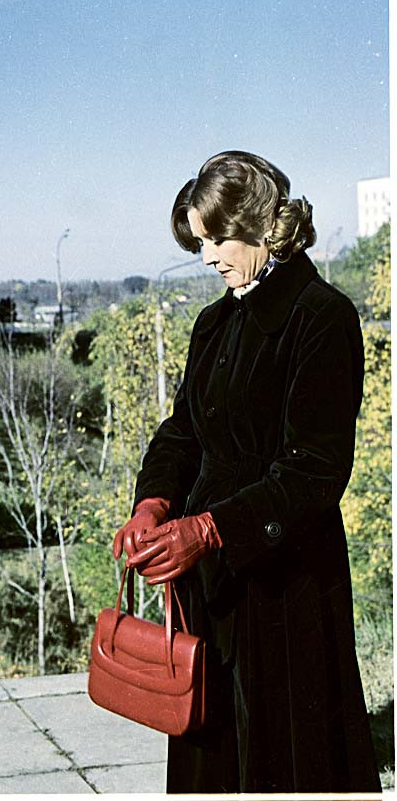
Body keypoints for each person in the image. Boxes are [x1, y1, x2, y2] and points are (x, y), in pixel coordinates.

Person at [113, 151, 381, 793]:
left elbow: (315, 472)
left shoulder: (322, 316)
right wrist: (153, 503)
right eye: (199, 243)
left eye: (215, 240)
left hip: (287, 587)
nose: (206, 258)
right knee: (211, 759)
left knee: (286, 760)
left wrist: (210, 530)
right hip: (212, 585)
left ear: (263, 225)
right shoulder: (214, 322)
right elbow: (184, 430)